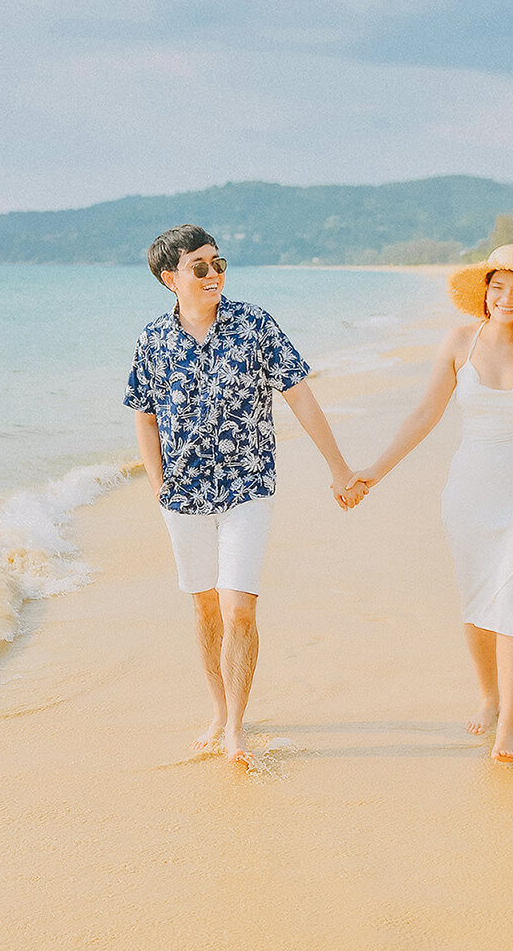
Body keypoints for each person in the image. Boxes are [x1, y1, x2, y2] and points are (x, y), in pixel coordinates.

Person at [125, 224, 360, 770]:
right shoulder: (153, 339)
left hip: (248, 487)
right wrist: (158, 484)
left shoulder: (254, 325)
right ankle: (218, 709)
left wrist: (339, 467)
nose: (214, 274)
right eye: (199, 267)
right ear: (170, 278)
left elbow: (300, 395)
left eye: (219, 262)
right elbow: (143, 411)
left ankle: (234, 729)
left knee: (238, 608)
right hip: (182, 494)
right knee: (205, 607)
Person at [347, 243, 513, 768]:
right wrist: (375, 470)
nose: (505, 298)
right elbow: (425, 413)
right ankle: (489, 693)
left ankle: (509, 722)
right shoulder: (459, 341)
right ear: (484, 290)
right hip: (471, 492)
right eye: (497, 287)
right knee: (479, 601)